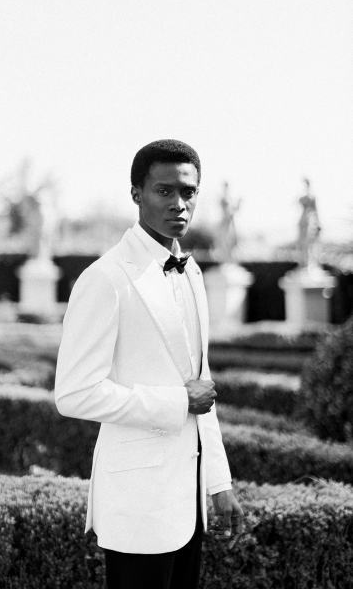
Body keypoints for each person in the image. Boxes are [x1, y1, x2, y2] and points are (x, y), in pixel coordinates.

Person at [54, 139, 244, 589]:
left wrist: (219, 482)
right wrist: (177, 402)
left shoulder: (192, 273)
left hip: (190, 501)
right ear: (136, 193)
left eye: (189, 192)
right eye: (164, 191)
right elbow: (74, 393)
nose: (179, 203)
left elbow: (203, 388)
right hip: (137, 504)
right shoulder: (105, 278)